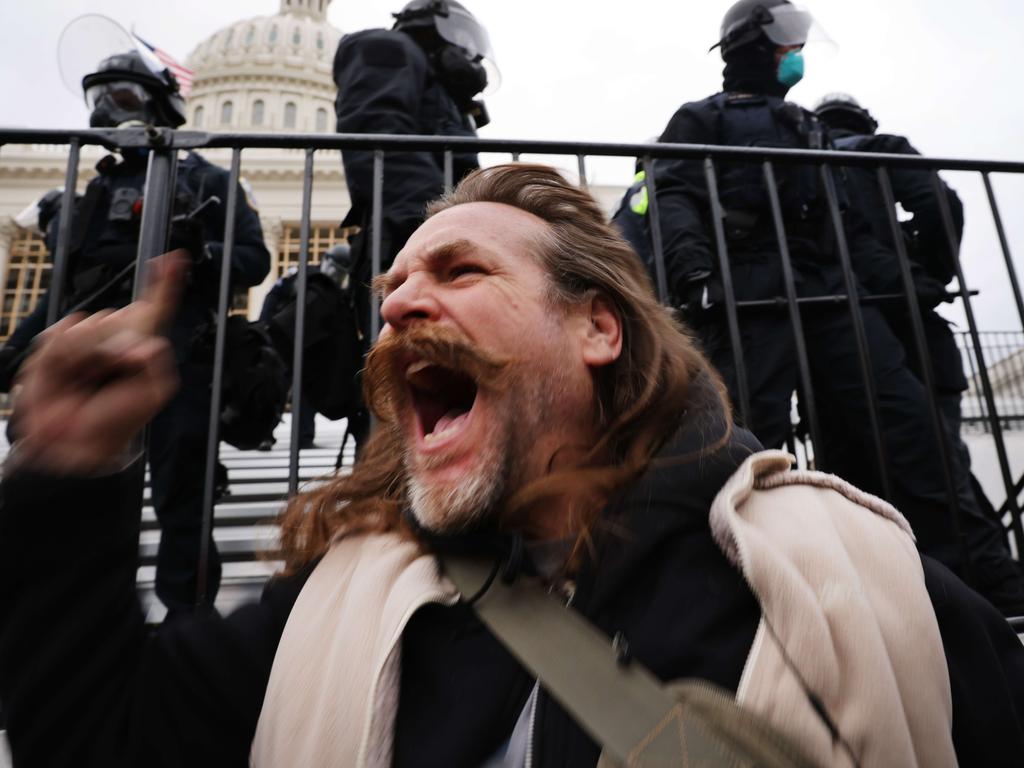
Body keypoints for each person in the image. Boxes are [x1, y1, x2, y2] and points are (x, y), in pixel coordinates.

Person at [2, 164, 1023, 767]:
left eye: (459, 270)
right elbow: (103, 737)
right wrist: (64, 468)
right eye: (393, 283)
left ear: (598, 329)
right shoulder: (336, 603)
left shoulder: (849, 580)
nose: (396, 303)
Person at [648, 0, 1021, 602]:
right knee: (747, 444)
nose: (794, 56)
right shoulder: (700, 117)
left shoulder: (807, 126)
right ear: (756, 47)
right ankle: (732, 597)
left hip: (832, 293)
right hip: (751, 297)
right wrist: (697, 276)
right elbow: (672, 192)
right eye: (785, 44)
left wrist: (894, 278)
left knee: (908, 434)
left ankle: (977, 593)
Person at [0, 44, 270, 616]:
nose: (106, 112)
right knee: (80, 493)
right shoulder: (97, 190)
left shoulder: (211, 181)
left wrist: (204, 252)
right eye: (99, 98)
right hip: (97, 361)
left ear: (159, 104)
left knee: (183, 505)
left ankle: (184, 623)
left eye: (120, 97)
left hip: (178, 361)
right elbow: (71, 286)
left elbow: (254, 260)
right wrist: (21, 345)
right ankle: (77, 621)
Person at [811, 93, 1024, 613]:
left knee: (857, 482)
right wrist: (927, 272)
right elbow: (942, 204)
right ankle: (978, 594)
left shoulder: (808, 163)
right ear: (863, 120)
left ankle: (900, 601)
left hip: (835, 334)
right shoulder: (880, 149)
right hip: (915, 331)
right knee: (943, 471)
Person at [332, 0, 496, 448]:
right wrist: (439, 226)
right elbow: (381, 136)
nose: (471, 56)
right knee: (402, 382)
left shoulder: (443, 92)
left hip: (441, 240)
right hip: (410, 241)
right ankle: (391, 500)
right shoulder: (387, 48)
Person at [257, 244, 357, 451]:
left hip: (311, 344)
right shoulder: (302, 274)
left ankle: (303, 436)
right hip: (285, 337)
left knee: (306, 388)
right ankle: (264, 433)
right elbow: (273, 296)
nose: (336, 275)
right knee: (276, 385)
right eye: (335, 269)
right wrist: (264, 328)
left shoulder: (339, 289)